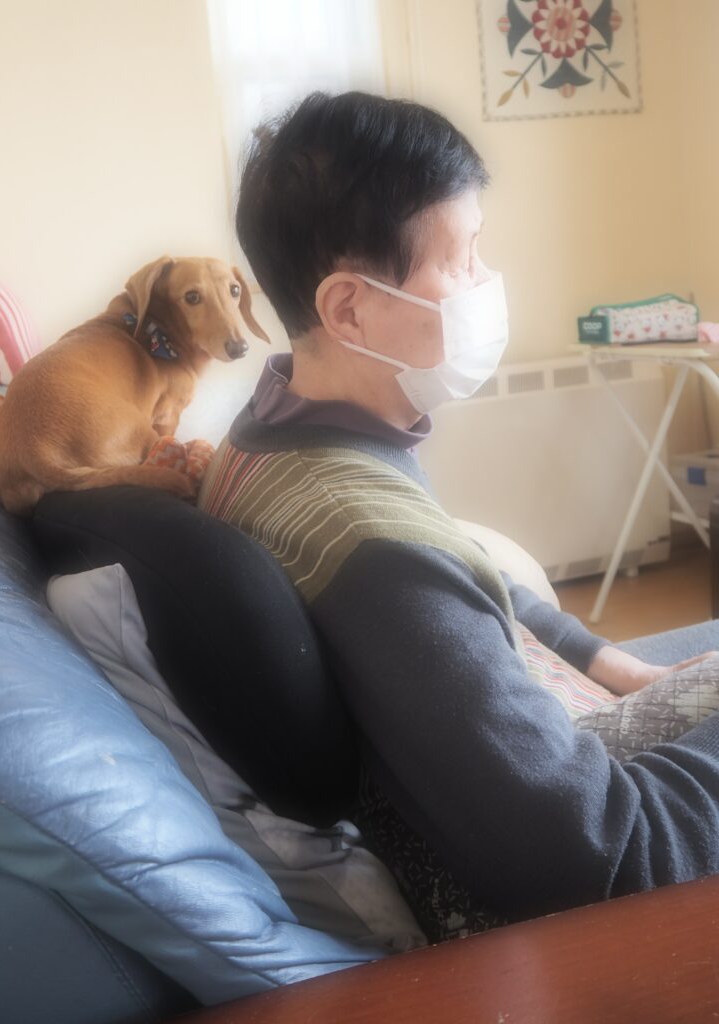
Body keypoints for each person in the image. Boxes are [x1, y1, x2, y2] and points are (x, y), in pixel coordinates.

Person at [198, 90, 719, 941]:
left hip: (551, 757)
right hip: (580, 879)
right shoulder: (370, 548)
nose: (485, 284)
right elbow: (606, 854)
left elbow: (464, 580)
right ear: (348, 308)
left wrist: (607, 659)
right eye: (462, 259)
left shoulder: (280, 431)